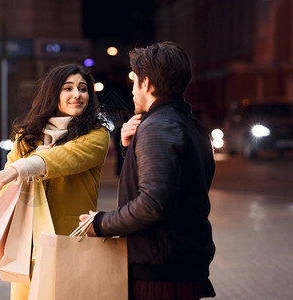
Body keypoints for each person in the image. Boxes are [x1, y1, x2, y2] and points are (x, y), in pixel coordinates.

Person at [80, 41, 216, 300]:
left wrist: (100, 223)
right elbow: (176, 187)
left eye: (135, 82)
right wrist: (131, 149)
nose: (132, 91)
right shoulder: (190, 125)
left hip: (161, 276)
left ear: (147, 83)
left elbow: (154, 203)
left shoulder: (158, 127)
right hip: (176, 267)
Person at [0, 63, 110, 300]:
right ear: (53, 93)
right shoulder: (26, 137)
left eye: (83, 88)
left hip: (70, 238)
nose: (77, 94)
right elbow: (6, 190)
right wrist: (15, 175)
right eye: (68, 88)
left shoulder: (96, 134)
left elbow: (66, 158)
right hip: (27, 242)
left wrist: (25, 166)